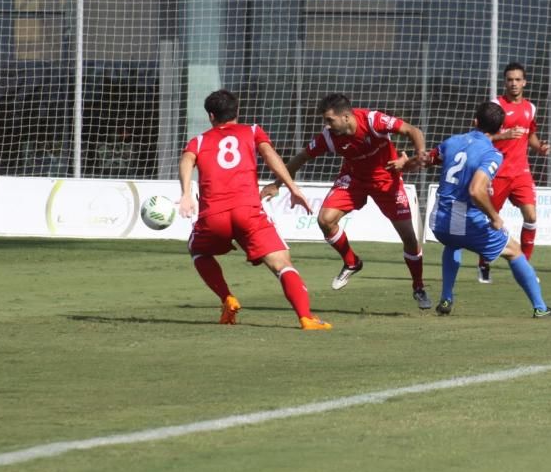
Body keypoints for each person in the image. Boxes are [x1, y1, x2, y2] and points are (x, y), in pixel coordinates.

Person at [178, 89, 332, 330]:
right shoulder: (251, 131)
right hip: (248, 211)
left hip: (214, 216)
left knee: (197, 250)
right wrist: (292, 188)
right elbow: (270, 154)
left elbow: (187, 159)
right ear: (237, 111)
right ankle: (306, 318)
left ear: (211, 116)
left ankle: (227, 298)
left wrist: (186, 193)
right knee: (281, 263)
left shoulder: (198, 141)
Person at [262, 93, 432, 310]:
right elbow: (302, 156)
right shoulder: (329, 137)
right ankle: (352, 262)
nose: (327, 125)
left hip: (386, 179)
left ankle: (418, 286)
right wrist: (277, 184)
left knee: (409, 237)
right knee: (325, 220)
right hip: (353, 180)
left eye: (330, 120)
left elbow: (412, 130)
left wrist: (418, 155)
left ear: (346, 117)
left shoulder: (372, 120)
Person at [419, 100, 551, 318]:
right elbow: (477, 190)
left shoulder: (452, 141)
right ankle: (541, 308)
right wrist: (494, 217)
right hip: (465, 219)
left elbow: (427, 159)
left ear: (474, 121)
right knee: (514, 251)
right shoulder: (492, 154)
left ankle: (446, 298)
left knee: (453, 243)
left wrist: (404, 163)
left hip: (439, 220)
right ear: (500, 129)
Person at [476, 62, 551, 283]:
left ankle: (524, 269)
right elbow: (480, 136)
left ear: (524, 82)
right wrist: (503, 136)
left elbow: (530, 135)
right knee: (491, 220)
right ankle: (484, 263)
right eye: (510, 79)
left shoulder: (531, 108)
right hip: (496, 172)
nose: (514, 83)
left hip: (521, 173)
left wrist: (540, 147)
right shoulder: (495, 106)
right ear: (505, 82)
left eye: (518, 79)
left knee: (531, 216)